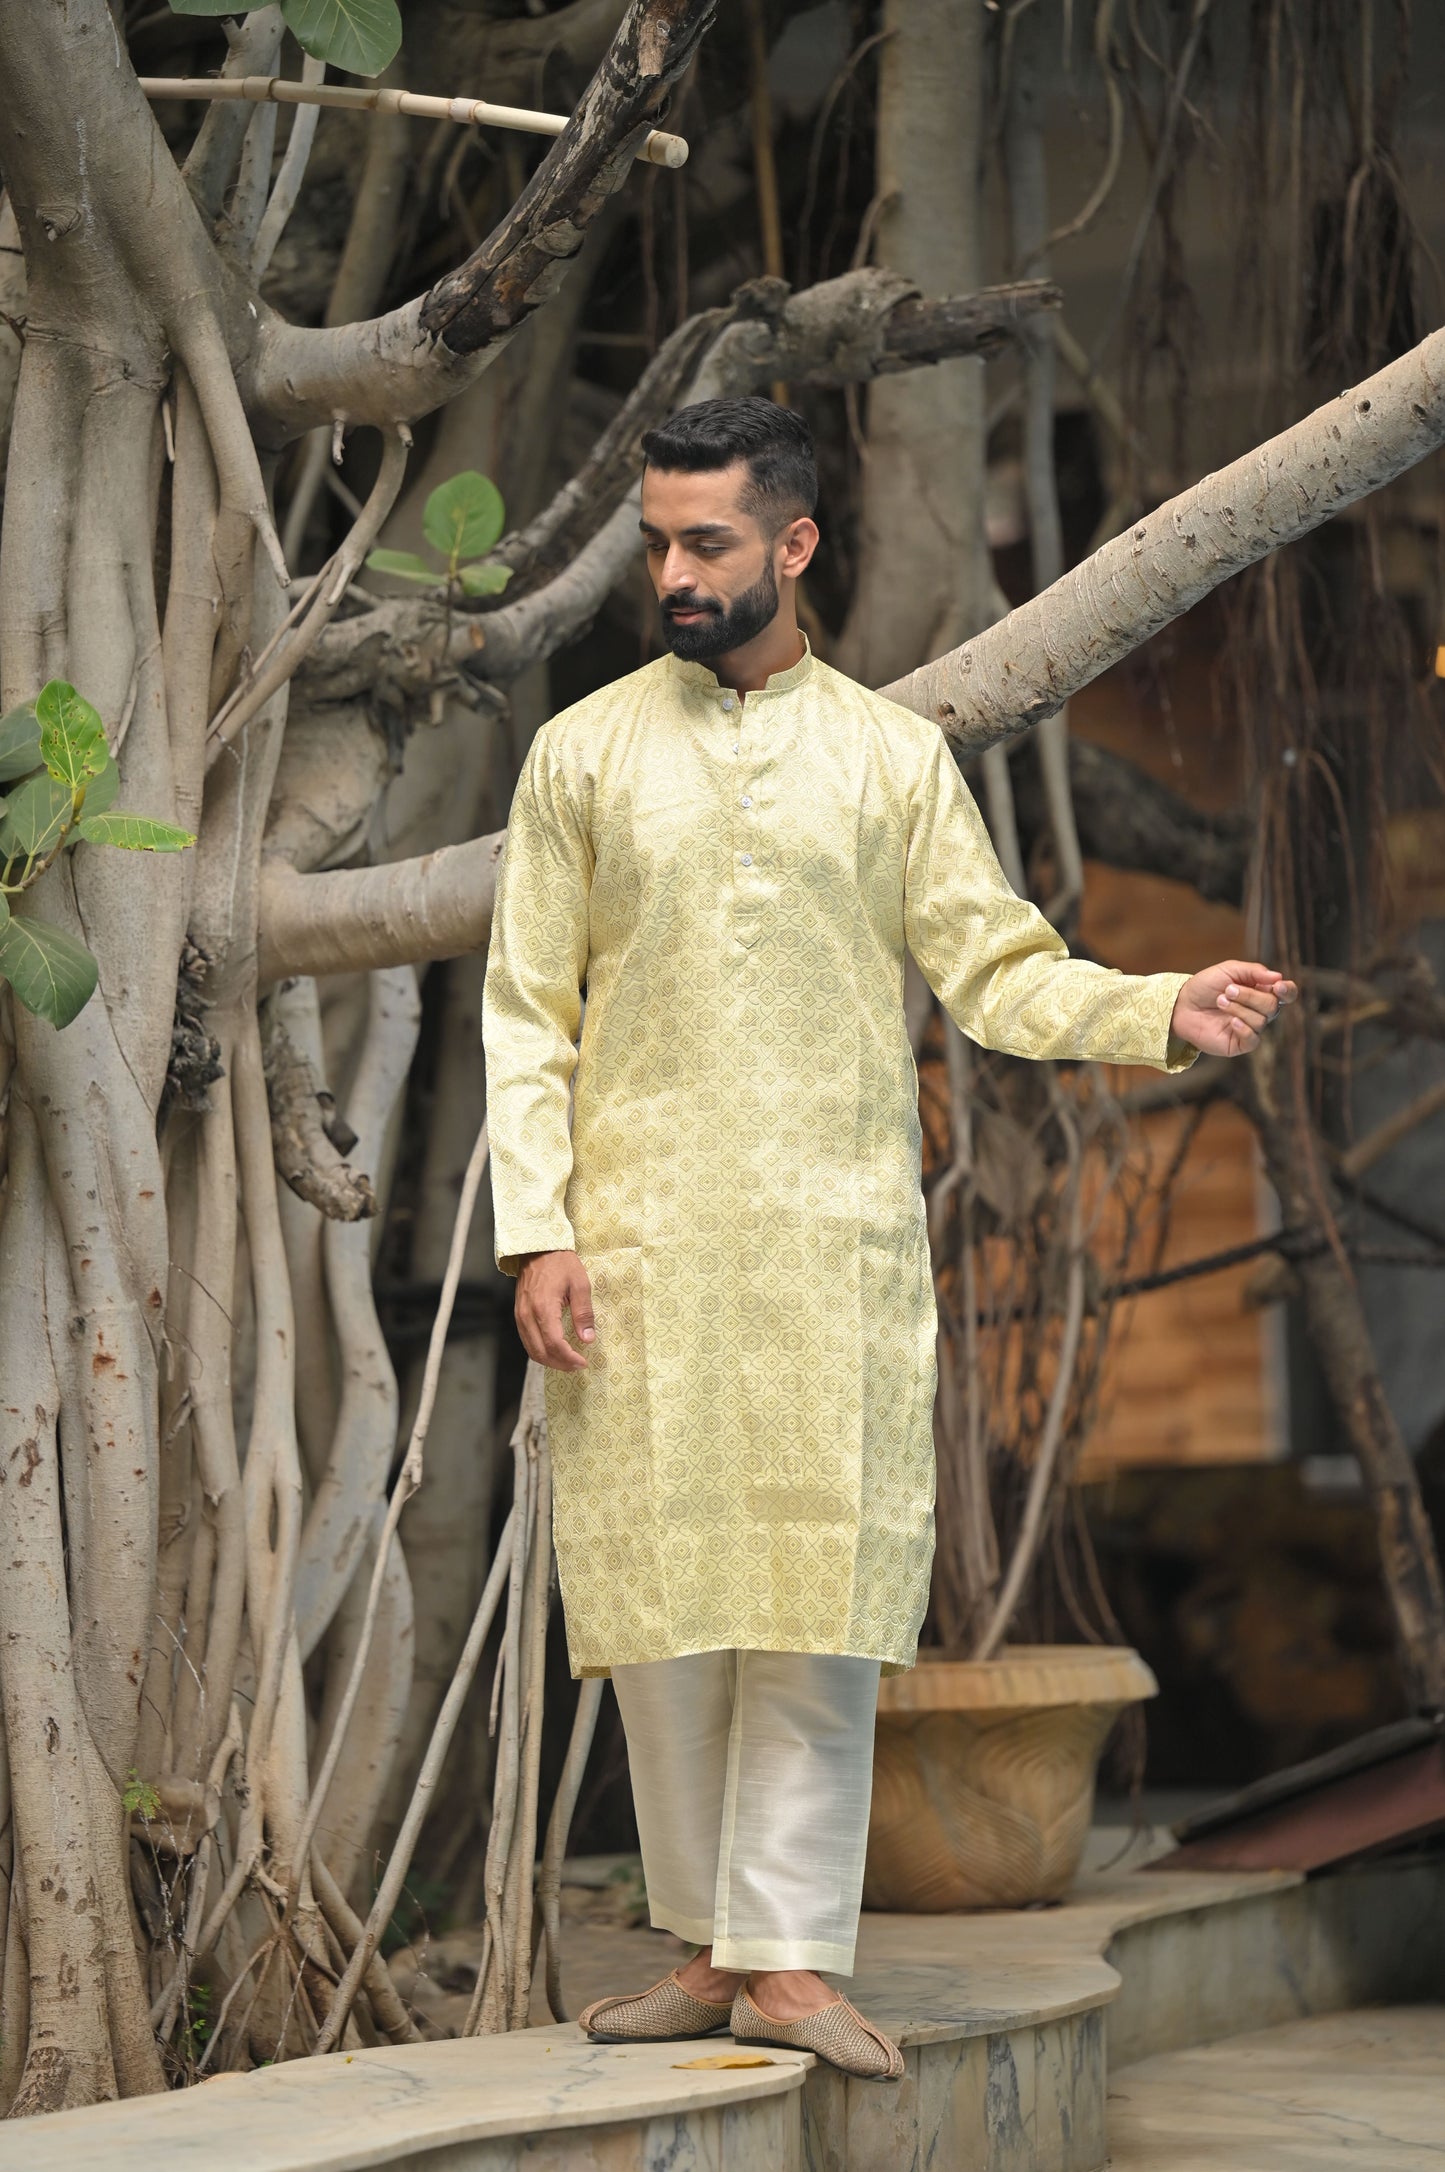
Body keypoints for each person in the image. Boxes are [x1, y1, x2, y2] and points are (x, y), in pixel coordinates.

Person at [481, 398, 1295, 2080]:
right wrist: (536, 1232)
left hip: (824, 1244)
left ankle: (789, 1961)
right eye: (657, 542)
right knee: (665, 1602)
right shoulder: (580, 755)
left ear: (792, 546)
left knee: (811, 1594)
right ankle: (708, 1950)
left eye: (706, 541)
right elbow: (524, 1010)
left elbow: (995, 969)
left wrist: (1155, 1007)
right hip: (635, 1248)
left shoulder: (886, 757)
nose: (672, 572)